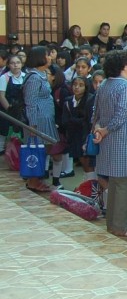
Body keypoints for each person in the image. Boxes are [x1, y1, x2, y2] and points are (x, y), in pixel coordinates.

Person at [91, 51, 127, 237]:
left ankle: (112, 224)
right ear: (123, 66)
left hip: (107, 141)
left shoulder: (104, 84)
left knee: (113, 182)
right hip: (123, 139)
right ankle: (120, 226)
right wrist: (106, 130)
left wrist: (99, 129)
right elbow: (121, 115)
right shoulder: (124, 86)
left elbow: (95, 113)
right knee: (123, 183)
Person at [22, 46, 64, 192]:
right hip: (38, 120)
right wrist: (32, 125)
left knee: (44, 149)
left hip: (46, 118)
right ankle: (33, 180)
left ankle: (36, 178)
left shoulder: (40, 75)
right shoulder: (34, 78)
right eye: (47, 55)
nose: (50, 57)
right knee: (38, 150)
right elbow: (31, 102)